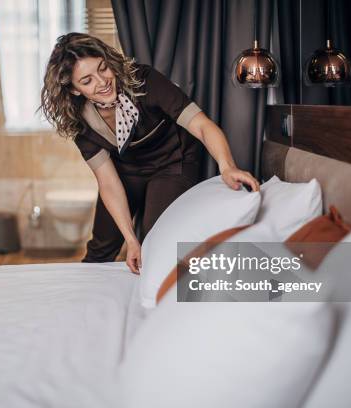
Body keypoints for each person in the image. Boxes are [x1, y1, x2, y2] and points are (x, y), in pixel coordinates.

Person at [40, 33, 259, 274]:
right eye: (87, 80)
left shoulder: (145, 81)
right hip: (127, 171)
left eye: (103, 68)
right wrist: (130, 241)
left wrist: (227, 166)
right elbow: (108, 182)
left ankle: (151, 305)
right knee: (100, 250)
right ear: (74, 90)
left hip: (174, 162)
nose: (102, 82)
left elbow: (202, 126)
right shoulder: (80, 121)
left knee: (153, 243)